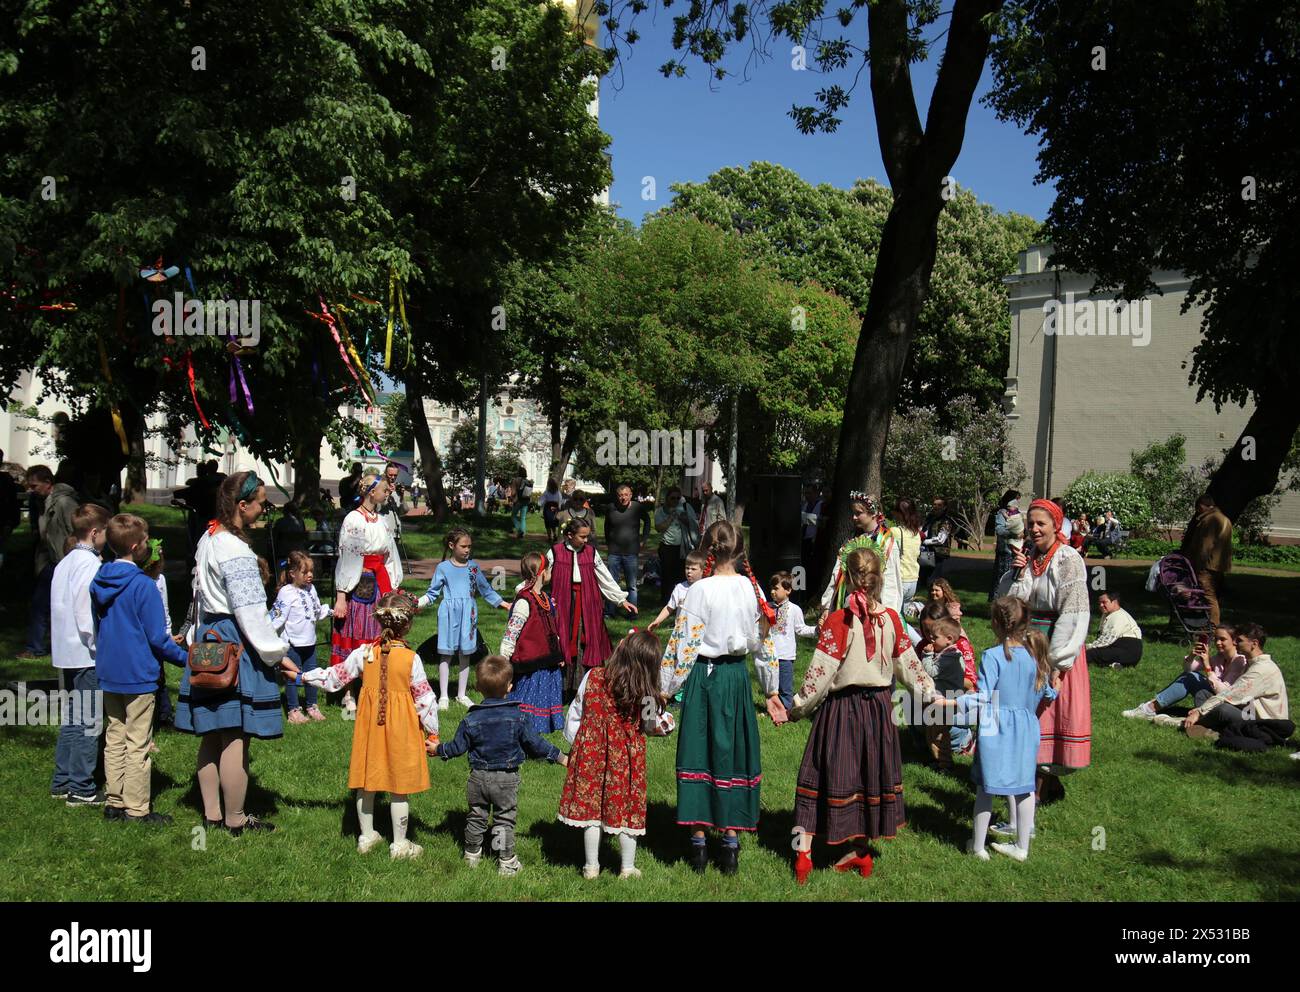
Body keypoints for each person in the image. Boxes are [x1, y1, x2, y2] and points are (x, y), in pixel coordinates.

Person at [789, 547, 935, 884]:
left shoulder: (840, 621)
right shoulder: (893, 620)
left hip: (842, 710)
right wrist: (932, 694)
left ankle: (804, 855)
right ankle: (860, 851)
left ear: (850, 579)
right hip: (880, 711)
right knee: (868, 776)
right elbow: (910, 667)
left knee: (820, 775)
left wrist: (797, 708)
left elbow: (819, 676)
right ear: (879, 578)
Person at [175, 472, 300, 834]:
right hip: (234, 641)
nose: (265, 507)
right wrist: (277, 654)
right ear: (242, 506)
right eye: (261, 501)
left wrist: (193, 636)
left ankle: (212, 814)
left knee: (212, 733)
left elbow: (198, 597)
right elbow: (250, 612)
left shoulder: (208, 538)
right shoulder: (236, 550)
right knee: (234, 734)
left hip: (208, 642)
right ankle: (234, 818)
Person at [660, 521, 784, 875]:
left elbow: (683, 645)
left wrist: (664, 689)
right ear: (739, 549)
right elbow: (764, 642)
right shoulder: (751, 588)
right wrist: (771, 689)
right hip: (734, 679)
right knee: (731, 752)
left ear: (707, 549)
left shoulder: (700, 590)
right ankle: (730, 843)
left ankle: (699, 845)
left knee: (700, 751)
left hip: (704, 677)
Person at [303, 590, 438, 859]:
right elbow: (426, 701)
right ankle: (399, 845)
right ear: (408, 624)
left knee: (367, 780)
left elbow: (334, 678)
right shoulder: (412, 659)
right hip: (402, 729)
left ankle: (366, 836)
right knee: (399, 786)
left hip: (370, 729)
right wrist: (433, 733)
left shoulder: (363, 653)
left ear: (379, 622)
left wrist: (302, 675)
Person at [90, 514, 190, 825]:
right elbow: (158, 638)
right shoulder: (143, 587)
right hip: (138, 673)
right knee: (137, 742)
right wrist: (189, 661)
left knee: (114, 736)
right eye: (146, 541)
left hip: (109, 669)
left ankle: (114, 800)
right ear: (135, 546)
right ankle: (136, 808)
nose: (148, 545)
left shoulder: (99, 580)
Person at [994, 498, 1091, 807]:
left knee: (1045, 713)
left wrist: (1058, 663)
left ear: (1055, 526)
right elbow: (1008, 604)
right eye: (1031, 523)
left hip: (1055, 646)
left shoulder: (1068, 559)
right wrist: (1017, 574)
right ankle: (1028, 784)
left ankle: (1037, 789)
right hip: (1027, 644)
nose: (1034, 529)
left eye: (1041, 524)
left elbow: (1074, 612)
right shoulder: (1029, 558)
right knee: (1024, 714)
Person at [433, 654, 567, 876]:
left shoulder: (471, 718)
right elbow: (536, 744)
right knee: (504, 819)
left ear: (477, 687)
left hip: (477, 777)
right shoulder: (519, 717)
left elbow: (456, 747)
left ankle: (472, 854)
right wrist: (561, 757)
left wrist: (438, 749)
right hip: (506, 779)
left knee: (477, 815)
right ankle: (505, 861)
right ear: (510, 687)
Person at [949, 596, 1059, 863]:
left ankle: (977, 847)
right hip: (1026, 729)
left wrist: (952, 702)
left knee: (985, 788)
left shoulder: (992, 655)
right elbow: (1047, 692)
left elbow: (983, 696)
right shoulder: (1035, 656)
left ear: (996, 623)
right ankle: (1021, 847)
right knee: (1024, 788)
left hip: (995, 728)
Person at [558, 630, 671, 880]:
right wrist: (668, 724)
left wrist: (576, 744)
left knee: (591, 810)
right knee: (628, 807)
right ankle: (627, 868)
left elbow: (576, 711)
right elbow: (652, 725)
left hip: (590, 753)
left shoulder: (593, 676)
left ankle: (591, 867)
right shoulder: (647, 692)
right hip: (626, 760)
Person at [49, 503, 110, 806]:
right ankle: (81, 787)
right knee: (88, 721)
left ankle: (62, 780)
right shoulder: (90, 565)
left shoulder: (65, 562)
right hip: (86, 653)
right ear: (95, 532)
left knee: (73, 718)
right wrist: (99, 646)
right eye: (105, 533)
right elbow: (85, 611)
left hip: (66, 650)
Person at [330, 470, 402, 719]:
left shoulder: (380, 520)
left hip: (379, 582)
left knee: (376, 634)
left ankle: (369, 688)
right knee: (355, 633)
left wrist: (393, 584)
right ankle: (348, 693)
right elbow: (348, 558)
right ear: (372, 491)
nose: (387, 492)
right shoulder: (354, 519)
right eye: (384, 489)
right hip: (360, 583)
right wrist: (341, 596)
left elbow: (390, 552)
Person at [418, 527, 509, 709]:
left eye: (470, 546)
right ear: (452, 545)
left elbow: (485, 589)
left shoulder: (473, 568)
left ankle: (461, 694)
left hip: (469, 614)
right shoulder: (442, 568)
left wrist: (504, 604)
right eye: (463, 546)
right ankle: (443, 695)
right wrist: (417, 604)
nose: (467, 550)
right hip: (448, 615)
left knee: (465, 654)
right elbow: (432, 592)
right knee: (446, 653)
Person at [548, 519, 637, 698]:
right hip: (564, 602)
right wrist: (525, 591)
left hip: (588, 602)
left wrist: (620, 599)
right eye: (582, 537)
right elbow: (541, 573)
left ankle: (585, 686)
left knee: (586, 638)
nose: (586, 540)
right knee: (564, 637)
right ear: (570, 535)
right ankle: (563, 688)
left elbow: (604, 577)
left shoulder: (591, 552)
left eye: (588, 536)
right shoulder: (556, 552)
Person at [1184, 623, 1289, 739]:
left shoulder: (1260, 670)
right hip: (1248, 711)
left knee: (1224, 710)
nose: (1234, 643)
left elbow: (1230, 695)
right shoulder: (1251, 664)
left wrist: (1200, 711)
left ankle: (1193, 724)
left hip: (1265, 725)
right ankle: (1208, 725)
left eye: (1239, 640)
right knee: (1203, 695)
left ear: (1254, 643)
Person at [1123, 624, 1245, 723]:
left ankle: (1150, 708)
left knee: (1192, 678)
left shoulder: (1239, 661)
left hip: (1226, 706)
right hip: (1213, 700)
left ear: (1234, 641)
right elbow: (1188, 669)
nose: (1218, 643)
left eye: (1222, 639)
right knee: (1189, 676)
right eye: (1216, 639)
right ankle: (1153, 705)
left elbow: (1225, 693)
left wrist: (1207, 667)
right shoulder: (1220, 657)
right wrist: (1192, 655)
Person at [501, 552, 565, 733]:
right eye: (549, 568)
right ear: (542, 573)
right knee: (527, 704)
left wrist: (557, 654)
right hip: (530, 665)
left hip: (547, 662)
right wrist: (503, 660)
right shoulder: (524, 601)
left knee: (542, 704)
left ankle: (535, 740)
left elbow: (550, 629)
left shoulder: (545, 598)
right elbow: (511, 633)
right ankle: (521, 736)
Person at [20, 464, 79, 658]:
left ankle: (43, 647)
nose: (32, 490)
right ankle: (36, 646)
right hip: (51, 561)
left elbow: (78, 531)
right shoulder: (41, 501)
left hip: (65, 562)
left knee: (53, 606)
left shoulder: (64, 503)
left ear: (48, 482)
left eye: (35, 485)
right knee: (41, 604)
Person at [820, 493, 903, 616]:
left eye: (858, 513)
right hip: (851, 604)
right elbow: (838, 573)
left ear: (873, 513)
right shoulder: (853, 541)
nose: (854, 517)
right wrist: (828, 605)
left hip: (874, 606)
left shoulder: (886, 542)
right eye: (853, 513)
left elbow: (891, 580)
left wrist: (889, 612)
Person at [274, 551, 332, 724]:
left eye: (311, 571)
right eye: (305, 572)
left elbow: (316, 609)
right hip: (292, 643)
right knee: (293, 675)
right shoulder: (286, 592)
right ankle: (293, 710)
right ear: (292, 573)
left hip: (310, 642)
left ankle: (312, 706)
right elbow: (277, 616)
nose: (310, 575)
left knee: (312, 675)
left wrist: (330, 612)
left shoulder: (311, 589)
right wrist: (266, 633)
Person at [1179, 493, 1232, 625]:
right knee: (1213, 595)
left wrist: (1195, 565)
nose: (1197, 512)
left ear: (1202, 506)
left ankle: (1213, 627)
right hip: (1220, 565)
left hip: (1207, 566)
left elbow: (1205, 546)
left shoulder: (1210, 520)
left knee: (1209, 597)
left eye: (1198, 508)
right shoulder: (1225, 519)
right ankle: (1207, 624)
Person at [769, 570, 816, 712]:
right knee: (771, 687)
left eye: (776, 588)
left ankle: (787, 712)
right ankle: (773, 710)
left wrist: (818, 630)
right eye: (771, 588)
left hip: (785, 656)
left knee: (785, 688)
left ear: (788, 590)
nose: (772, 591)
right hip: (769, 655)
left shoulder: (794, 610)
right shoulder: (767, 608)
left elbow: (801, 629)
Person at [142, 540, 175, 735]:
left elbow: (165, 607)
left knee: (160, 676)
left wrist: (169, 631)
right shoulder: (142, 582)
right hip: (147, 636)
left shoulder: (160, 580)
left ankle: (164, 714)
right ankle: (151, 722)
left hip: (160, 633)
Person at [603, 484, 650, 617]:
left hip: (631, 552)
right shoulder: (611, 508)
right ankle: (609, 612)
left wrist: (644, 539)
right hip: (614, 552)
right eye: (620, 495)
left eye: (626, 495)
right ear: (617, 496)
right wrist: (608, 542)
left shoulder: (637, 507)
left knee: (632, 585)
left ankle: (632, 613)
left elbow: (647, 521)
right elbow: (606, 526)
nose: (623, 498)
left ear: (630, 495)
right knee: (612, 583)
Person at [653, 485, 698, 594]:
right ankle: (666, 602)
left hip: (683, 548)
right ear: (667, 498)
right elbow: (659, 528)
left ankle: (681, 599)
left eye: (678, 498)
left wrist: (685, 520)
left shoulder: (685, 508)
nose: (675, 500)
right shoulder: (660, 511)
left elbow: (694, 525)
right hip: (667, 547)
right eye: (673, 498)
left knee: (682, 575)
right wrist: (671, 517)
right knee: (667, 576)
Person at [647, 550, 706, 632]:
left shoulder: (706, 588)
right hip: (681, 631)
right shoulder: (680, 588)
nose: (689, 571)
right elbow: (669, 607)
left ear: (702, 570)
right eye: (687, 568)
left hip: (699, 632)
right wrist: (657, 620)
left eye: (693, 569)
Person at [1085, 591, 1143, 669]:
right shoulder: (1109, 614)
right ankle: (1117, 664)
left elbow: (1107, 640)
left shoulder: (1118, 616)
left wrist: (1088, 647)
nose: (1101, 605)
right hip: (1126, 651)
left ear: (1114, 602)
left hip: (1128, 650)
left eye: (1104, 602)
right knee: (1099, 653)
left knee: (1090, 654)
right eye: (1100, 603)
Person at [991, 490, 1024, 600]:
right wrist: (1014, 535)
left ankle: (1008, 603)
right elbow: (999, 530)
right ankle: (996, 602)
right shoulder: (1002, 512)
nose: (1018, 502)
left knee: (1011, 579)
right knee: (1001, 578)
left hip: (1015, 550)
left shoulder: (1016, 513)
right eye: (1016, 499)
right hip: (1005, 551)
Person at [893, 497, 923, 605]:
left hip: (900, 579)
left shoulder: (895, 532)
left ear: (900, 513)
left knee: (894, 616)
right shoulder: (916, 533)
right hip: (913, 580)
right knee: (901, 615)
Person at [919, 496, 953, 587]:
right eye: (934, 504)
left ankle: (934, 596)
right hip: (926, 551)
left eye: (939, 505)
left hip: (938, 553)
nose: (936, 507)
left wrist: (925, 542)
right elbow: (923, 531)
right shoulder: (929, 519)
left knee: (933, 578)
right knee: (923, 575)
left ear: (944, 507)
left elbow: (940, 540)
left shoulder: (946, 521)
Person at [0, 451, 21, 572]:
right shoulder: (6, 480)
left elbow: (12, 503)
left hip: (3, 522)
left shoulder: (6, 480)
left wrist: (10, 522)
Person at [800, 484, 824, 571]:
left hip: (814, 540)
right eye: (805, 493)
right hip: (804, 539)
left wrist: (804, 517)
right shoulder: (806, 505)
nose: (807, 496)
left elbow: (820, 521)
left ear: (816, 493)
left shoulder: (821, 505)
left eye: (809, 493)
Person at [540, 477, 563, 544]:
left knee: (547, 523)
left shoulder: (546, 492)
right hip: (555, 509)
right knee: (553, 522)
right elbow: (560, 501)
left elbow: (541, 501)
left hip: (547, 508)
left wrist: (541, 505)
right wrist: (558, 508)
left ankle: (549, 537)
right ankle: (555, 535)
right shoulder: (558, 492)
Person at [509, 475, 532, 539]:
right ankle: (523, 534)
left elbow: (513, 493)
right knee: (523, 518)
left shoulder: (515, 480)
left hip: (518, 501)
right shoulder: (528, 481)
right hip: (525, 501)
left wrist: (511, 497)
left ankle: (520, 530)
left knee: (513, 516)